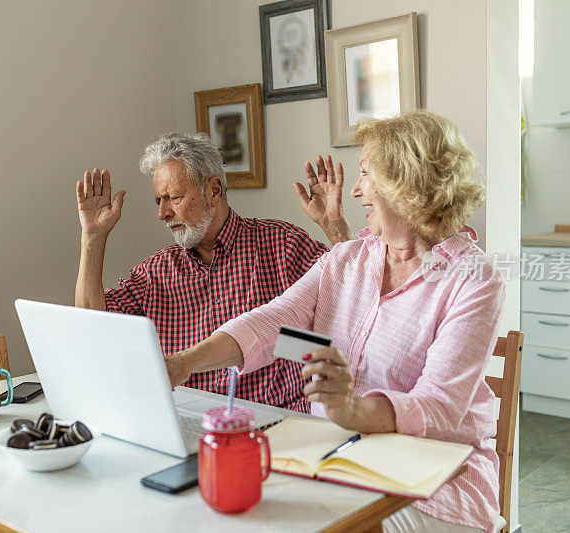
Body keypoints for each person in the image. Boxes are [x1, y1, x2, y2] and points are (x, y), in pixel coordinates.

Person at [166, 111, 504, 533]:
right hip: (340, 457)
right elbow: (273, 321)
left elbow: (437, 407)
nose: (357, 189)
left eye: (365, 174)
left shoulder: (473, 277)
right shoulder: (348, 258)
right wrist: (184, 363)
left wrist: (350, 409)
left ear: (406, 181)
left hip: (436, 484)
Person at [74, 132, 348, 411]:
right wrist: (92, 237)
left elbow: (358, 298)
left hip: (279, 420)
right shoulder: (155, 273)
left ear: (214, 191)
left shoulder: (283, 246)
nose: (163, 213)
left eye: (173, 197)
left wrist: (335, 226)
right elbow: (92, 327)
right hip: (194, 423)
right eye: (158, 200)